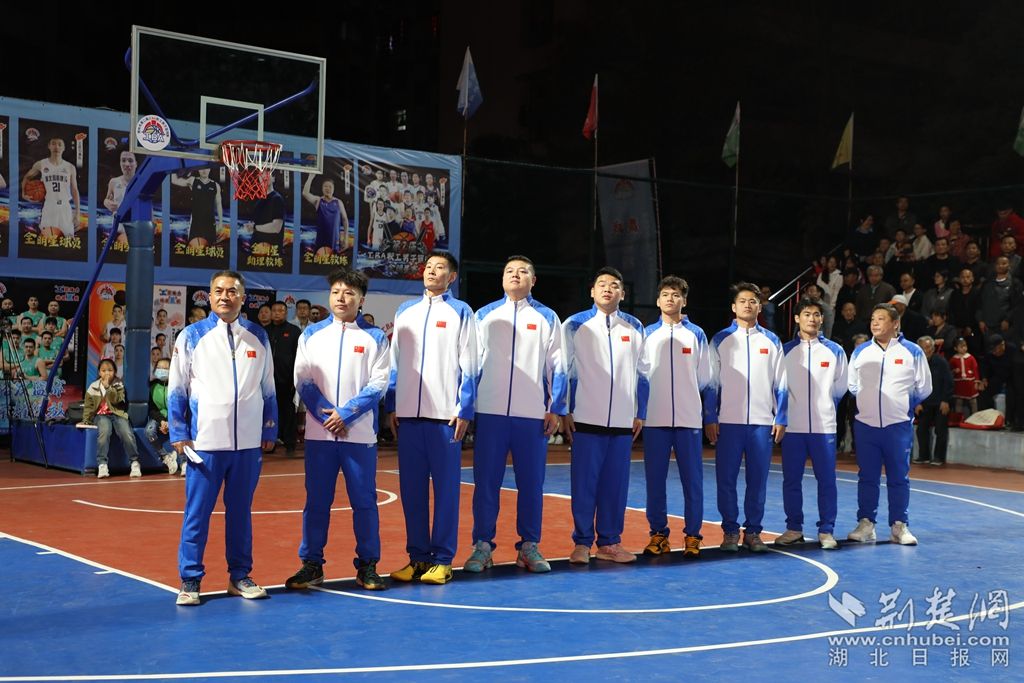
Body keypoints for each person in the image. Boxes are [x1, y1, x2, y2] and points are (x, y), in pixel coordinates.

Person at [169, 270, 277, 606]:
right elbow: (177, 387)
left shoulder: (258, 336)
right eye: (218, 291)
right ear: (209, 296)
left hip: (247, 444)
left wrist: (269, 427)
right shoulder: (191, 336)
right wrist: (179, 431)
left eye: (232, 291)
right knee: (197, 513)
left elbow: (269, 387)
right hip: (205, 443)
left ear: (243, 298)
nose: (225, 296)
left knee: (241, 513)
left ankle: (239, 575)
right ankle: (190, 579)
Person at [286, 268, 390, 592]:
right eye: (335, 292)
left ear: (361, 299)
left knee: (364, 502)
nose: (341, 298)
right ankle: (311, 564)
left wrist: (345, 414)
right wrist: (326, 415)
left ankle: (368, 565)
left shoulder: (375, 338)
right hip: (320, 436)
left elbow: (379, 384)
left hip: (359, 435)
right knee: (317, 502)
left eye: (348, 293)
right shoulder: (311, 335)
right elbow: (303, 380)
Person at [463, 255, 566, 574]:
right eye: (509, 271)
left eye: (523, 272)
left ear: (533, 280)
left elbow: (559, 365)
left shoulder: (547, 317)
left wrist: (555, 408)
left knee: (532, 484)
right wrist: (467, 406)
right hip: (490, 412)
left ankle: (529, 545)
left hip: (531, 414)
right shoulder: (484, 316)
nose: (515, 275)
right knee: (486, 483)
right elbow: (469, 365)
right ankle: (482, 546)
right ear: (502, 279)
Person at [386, 251, 477, 585]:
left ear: (451, 276)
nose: (431, 271)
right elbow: (395, 362)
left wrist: (464, 409)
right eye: (428, 267)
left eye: (439, 268)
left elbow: (471, 363)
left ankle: (442, 559)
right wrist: (392, 404)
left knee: (446, 492)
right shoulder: (405, 311)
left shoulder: (461, 311)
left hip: (445, 418)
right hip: (409, 417)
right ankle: (418, 558)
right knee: (411, 492)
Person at [563, 266, 647, 564]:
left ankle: (609, 543)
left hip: (623, 421)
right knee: (584, 485)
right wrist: (565, 408)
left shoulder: (634, 327)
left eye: (614, 285)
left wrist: (640, 412)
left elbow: (643, 373)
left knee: (615, 487)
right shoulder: (574, 325)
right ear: (592, 291)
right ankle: (582, 543)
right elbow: (564, 369)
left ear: (622, 293)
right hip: (586, 418)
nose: (608, 289)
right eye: (601, 284)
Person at [704, 282, 787, 553]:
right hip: (728, 422)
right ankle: (730, 531)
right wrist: (710, 417)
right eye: (743, 301)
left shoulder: (771, 341)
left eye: (753, 301)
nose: (748, 305)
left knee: (758, 481)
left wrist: (781, 417)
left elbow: (781, 383)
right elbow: (711, 382)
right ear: (734, 307)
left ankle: (753, 532)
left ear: (760, 307)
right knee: (726, 479)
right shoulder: (720, 340)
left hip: (762, 423)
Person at [847, 303, 932, 546]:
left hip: (898, 426)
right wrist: (868, 403)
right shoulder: (861, 351)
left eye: (881, 318)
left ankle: (899, 526)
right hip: (866, 425)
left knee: (899, 478)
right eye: (873, 318)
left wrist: (902, 405)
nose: (874, 323)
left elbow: (924, 387)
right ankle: (866, 524)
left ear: (895, 323)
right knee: (867, 477)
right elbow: (852, 385)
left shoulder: (913, 351)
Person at [639, 276, 710, 559]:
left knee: (692, 482)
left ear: (684, 301)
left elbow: (704, 378)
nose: (671, 298)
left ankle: (693, 536)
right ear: (658, 301)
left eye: (676, 294)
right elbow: (640, 376)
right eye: (666, 294)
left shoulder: (696, 334)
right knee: (655, 482)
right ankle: (659, 535)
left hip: (688, 421)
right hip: (655, 421)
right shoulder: (646, 334)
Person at [776, 298, 848, 550]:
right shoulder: (784, 351)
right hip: (793, 427)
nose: (812, 319)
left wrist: (824, 409)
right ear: (797, 318)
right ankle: (793, 528)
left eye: (817, 314)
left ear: (822, 319)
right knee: (791, 480)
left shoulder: (835, 351)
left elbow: (840, 388)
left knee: (827, 480)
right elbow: (777, 386)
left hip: (824, 427)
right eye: (807, 314)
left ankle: (826, 530)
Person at [82, 358, 142, 479]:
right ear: (99, 372)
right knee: (104, 431)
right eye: (103, 370)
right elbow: (88, 406)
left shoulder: (118, 384)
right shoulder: (93, 386)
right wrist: (86, 420)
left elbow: (117, 400)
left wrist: (108, 388)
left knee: (126, 433)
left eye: (110, 370)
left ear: (114, 372)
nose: (107, 373)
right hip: (101, 416)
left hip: (118, 414)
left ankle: (135, 462)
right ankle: (102, 464)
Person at [22, 138, 82, 240]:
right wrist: (23, 193)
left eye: (59, 144)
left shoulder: (70, 167)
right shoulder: (41, 164)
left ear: (63, 148)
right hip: (49, 206)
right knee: (47, 241)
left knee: (68, 241)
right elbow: (27, 177)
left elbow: (75, 190)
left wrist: (78, 212)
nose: (56, 147)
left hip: (65, 207)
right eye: (53, 144)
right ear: (49, 146)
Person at [266, 301, 301, 456]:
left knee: (288, 412)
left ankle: (290, 444)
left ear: (286, 313)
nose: (277, 313)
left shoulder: (294, 331)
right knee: (268, 412)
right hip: (267, 380)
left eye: (280, 310)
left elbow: (298, 356)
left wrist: (295, 378)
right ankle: (270, 442)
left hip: (287, 380)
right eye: (274, 310)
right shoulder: (264, 331)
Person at [913, 337, 953, 466]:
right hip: (924, 402)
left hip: (940, 402)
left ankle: (939, 458)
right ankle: (924, 456)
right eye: (924, 348)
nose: (927, 350)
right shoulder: (916, 363)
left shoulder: (941, 362)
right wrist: (916, 402)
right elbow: (913, 384)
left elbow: (948, 382)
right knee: (921, 430)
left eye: (929, 347)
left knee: (940, 430)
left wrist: (945, 400)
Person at [171, 168, 222, 249]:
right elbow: (174, 180)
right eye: (202, 168)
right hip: (195, 224)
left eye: (206, 169)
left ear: (210, 169)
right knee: (193, 250)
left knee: (210, 251)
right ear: (198, 170)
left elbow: (219, 204)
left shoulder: (216, 185)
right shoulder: (192, 180)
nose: (204, 171)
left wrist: (221, 223)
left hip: (210, 224)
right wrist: (177, 170)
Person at [303, 175, 350, 258]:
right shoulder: (318, 200)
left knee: (333, 263)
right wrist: (310, 177)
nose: (327, 188)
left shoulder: (338, 202)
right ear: (322, 188)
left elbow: (345, 220)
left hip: (334, 241)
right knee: (319, 263)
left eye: (330, 187)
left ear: (333, 189)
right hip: (320, 242)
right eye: (325, 186)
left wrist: (345, 239)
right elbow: (305, 193)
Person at [146, 357, 178, 474]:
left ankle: (184, 462)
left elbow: (178, 406)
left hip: (174, 416)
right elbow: (152, 409)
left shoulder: (176, 386)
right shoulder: (152, 386)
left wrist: (169, 421)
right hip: (158, 417)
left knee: (181, 429)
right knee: (149, 431)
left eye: (165, 368)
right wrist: (162, 421)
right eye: (159, 367)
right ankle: (166, 457)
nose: (162, 370)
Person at [103, 150, 138, 246]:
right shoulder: (114, 182)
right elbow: (107, 199)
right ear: (120, 163)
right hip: (117, 226)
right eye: (123, 160)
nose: (127, 164)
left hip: (135, 226)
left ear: (136, 164)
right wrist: (107, 203)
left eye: (130, 160)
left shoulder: (141, 183)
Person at [246, 173, 285, 255]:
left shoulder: (277, 199)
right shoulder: (259, 201)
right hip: (256, 251)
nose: (264, 176)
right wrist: (250, 227)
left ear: (273, 178)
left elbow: (276, 227)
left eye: (267, 173)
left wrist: (254, 227)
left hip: (270, 253)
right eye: (261, 174)